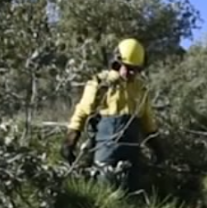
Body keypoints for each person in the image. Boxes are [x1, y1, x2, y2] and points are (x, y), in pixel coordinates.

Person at [61, 37, 165, 192]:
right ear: (117, 63)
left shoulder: (140, 89)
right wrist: (70, 142)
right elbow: (81, 112)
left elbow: (146, 121)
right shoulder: (100, 84)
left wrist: (157, 147)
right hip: (105, 150)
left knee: (132, 191)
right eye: (128, 68)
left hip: (131, 152)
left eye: (136, 69)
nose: (131, 73)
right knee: (105, 188)